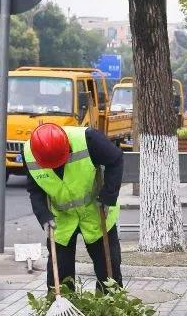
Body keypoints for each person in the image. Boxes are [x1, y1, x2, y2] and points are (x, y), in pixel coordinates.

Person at [23, 123, 124, 294]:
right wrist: (43, 216)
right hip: (61, 219)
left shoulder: (89, 139)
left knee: (108, 270)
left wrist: (108, 197)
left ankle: (110, 307)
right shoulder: (29, 153)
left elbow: (115, 160)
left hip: (95, 213)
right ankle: (63, 310)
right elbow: (35, 189)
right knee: (59, 274)